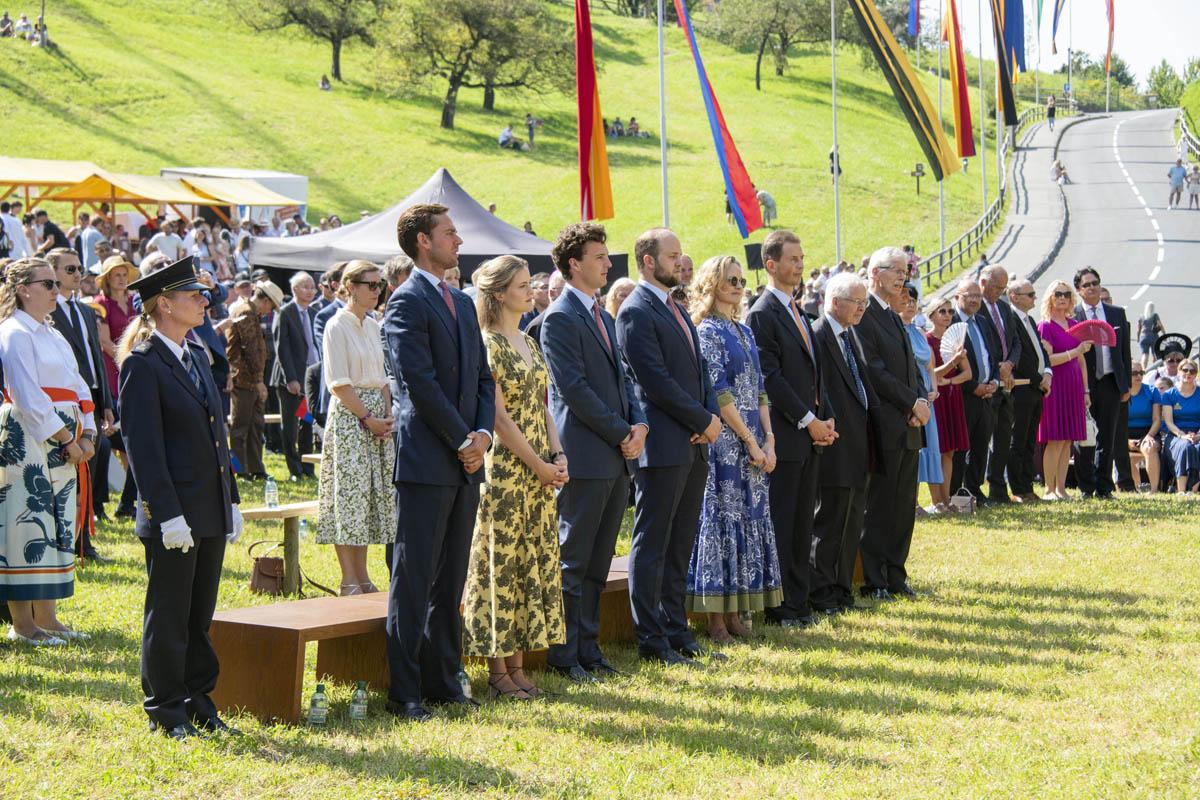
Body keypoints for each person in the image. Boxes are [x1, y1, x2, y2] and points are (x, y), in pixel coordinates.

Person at [117, 257, 242, 739]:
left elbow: (217, 438)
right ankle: (166, 707)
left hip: (208, 507)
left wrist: (229, 498)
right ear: (163, 305)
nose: (203, 300)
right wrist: (166, 515)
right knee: (169, 612)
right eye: (192, 294)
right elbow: (144, 451)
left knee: (199, 613)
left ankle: (197, 698)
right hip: (174, 513)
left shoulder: (196, 355)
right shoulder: (143, 364)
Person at [382, 204, 495, 721]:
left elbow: (482, 380)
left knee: (451, 578)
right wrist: (461, 438)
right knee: (415, 577)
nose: (459, 241)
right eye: (451, 233)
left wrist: (484, 436)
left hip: (467, 458)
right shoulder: (405, 301)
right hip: (430, 457)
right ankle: (404, 691)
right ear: (423, 241)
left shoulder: (462, 301)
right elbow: (418, 384)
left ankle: (444, 680)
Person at [540, 223, 645, 684]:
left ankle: (589, 647)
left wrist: (639, 424)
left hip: (617, 454)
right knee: (575, 558)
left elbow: (625, 379)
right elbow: (574, 390)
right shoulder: (560, 317)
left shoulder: (602, 315)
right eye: (599, 257)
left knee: (599, 562)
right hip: (586, 453)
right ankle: (565, 654)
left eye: (607, 256)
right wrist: (623, 431)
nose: (608, 263)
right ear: (573, 264)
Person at [614, 227, 722, 667]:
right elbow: (654, 381)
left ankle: (677, 630)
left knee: (681, 543)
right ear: (647, 261)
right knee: (654, 542)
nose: (680, 262)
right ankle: (652, 638)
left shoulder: (675, 306)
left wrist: (711, 418)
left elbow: (700, 373)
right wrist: (701, 420)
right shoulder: (636, 311)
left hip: (695, 443)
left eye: (681, 255)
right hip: (663, 446)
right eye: (672, 255)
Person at [461, 255, 567, 699]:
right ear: (500, 293)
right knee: (500, 563)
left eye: (531, 283)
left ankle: (519, 665)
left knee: (529, 561)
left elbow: (543, 404)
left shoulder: (528, 338)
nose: (532, 290)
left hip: (539, 465)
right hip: (506, 468)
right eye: (523, 285)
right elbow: (500, 418)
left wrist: (557, 453)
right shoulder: (489, 343)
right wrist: (538, 464)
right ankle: (497, 670)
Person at [0, 257, 97, 647]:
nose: (59, 290)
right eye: (49, 284)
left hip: (64, 438)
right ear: (24, 289)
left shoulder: (52, 333)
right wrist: (68, 439)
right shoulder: (13, 332)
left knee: (56, 522)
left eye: (58, 283)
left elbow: (78, 385)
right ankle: (22, 624)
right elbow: (26, 395)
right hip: (27, 435)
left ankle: (49, 617)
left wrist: (87, 433)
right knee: (27, 521)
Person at [688, 254, 781, 641]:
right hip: (726, 442)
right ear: (711, 283)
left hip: (754, 440)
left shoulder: (744, 330)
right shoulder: (707, 330)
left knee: (749, 519)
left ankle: (738, 610)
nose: (738, 286)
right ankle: (715, 618)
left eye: (742, 280)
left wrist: (769, 439)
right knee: (723, 518)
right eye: (730, 280)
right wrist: (747, 440)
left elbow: (760, 388)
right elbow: (719, 391)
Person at [745, 231, 834, 628]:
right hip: (785, 434)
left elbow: (814, 373)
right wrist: (807, 419)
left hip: (809, 435)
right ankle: (780, 607)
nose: (799, 265)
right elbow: (771, 377)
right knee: (783, 523)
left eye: (802, 258)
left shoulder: (799, 310)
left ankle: (798, 602)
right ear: (771, 265)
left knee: (802, 523)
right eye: (792, 259)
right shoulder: (763, 312)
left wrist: (824, 416)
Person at [315, 260, 395, 595]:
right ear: (350, 287)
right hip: (351, 418)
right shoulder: (337, 325)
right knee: (348, 497)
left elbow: (384, 376)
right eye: (371, 285)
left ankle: (362, 576)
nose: (377, 291)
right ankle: (349, 578)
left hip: (376, 415)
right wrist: (367, 418)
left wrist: (388, 415)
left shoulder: (375, 325)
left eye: (381, 286)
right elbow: (338, 383)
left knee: (366, 500)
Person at [855, 247, 928, 600]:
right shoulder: (864, 313)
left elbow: (910, 368)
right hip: (883, 424)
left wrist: (921, 401)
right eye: (896, 271)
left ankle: (896, 575)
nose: (903, 277)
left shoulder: (895, 316)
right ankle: (875, 580)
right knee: (881, 506)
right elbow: (873, 370)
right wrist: (910, 401)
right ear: (875, 273)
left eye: (906, 271)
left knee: (903, 505)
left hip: (909, 423)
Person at [810, 273, 879, 614]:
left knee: (852, 520)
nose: (862, 309)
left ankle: (841, 591)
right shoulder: (819, 334)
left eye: (865, 303)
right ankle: (821, 593)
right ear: (835, 302)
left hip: (857, 442)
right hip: (834, 442)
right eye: (857, 302)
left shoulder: (848, 336)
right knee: (830, 521)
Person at [46, 248, 114, 559]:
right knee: (69, 474)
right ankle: (68, 541)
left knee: (92, 466)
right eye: (70, 269)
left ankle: (83, 541)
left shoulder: (87, 311)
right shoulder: (47, 314)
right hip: (64, 403)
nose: (77, 274)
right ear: (54, 272)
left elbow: (97, 357)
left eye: (79, 268)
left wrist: (108, 402)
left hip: (94, 400)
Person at [1073, 267, 1131, 499]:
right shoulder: (1073, 316)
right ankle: (1086, 486)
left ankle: (1104, 486)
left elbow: (1125, 352)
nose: (1092, 287)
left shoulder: (1116, 313)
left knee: (1108, 436)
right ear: (1078, 290)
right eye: (1086, 284)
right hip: (1084, 384)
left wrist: (1124, 385)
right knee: (1084, 436)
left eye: (1095, 282)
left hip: (1110, 382)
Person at [1037, 280, 1090, 501]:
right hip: (1055, 384)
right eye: (1057, 294)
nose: (1062, 297)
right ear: (1050, 297)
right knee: (1055, 438)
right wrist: (1074, 351)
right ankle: (1049, 489)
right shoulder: (1045, 326)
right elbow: (1046, 359)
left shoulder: (1075, 323)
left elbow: (1082, 362)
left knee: (1068, 439)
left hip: (1074, 384)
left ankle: (1061, 488)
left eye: (1066, 294)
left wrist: (1086, 391)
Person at [950, 278, 1000, 503]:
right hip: (963, 396)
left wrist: (994, 382)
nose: (973, 299)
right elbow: (949, 365)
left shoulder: (982, 322)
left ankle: (975, 490)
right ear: (957, 297)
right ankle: (955, 493)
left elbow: (994, 355)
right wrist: (974, 387)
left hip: (987, 395)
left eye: (977, 296)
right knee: (961, 447)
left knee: (981, 446)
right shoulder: (950, 323)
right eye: (968, 295)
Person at [226, 281, 282, 480]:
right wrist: (259, 380)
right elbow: (249, 348)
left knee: (255, 424)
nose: (270, 310)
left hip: (252, 378)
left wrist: (259, 379)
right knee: (240, 426)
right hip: (243, 378)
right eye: (271, 306)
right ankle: (239, 470)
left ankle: (255, 468)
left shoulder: (250, 312)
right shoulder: (247, 313)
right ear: (265, 300)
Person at [976, 266, 1021, 504]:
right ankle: (976, 485)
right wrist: (998, 367)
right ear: (983, 282)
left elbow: (1015, 342)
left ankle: (998, 486)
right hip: (989, 382)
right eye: (995, 287)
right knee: (983, 439)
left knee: (1004, 437)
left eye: (1002, 288)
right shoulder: (977, 308)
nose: (998, 292)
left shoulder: (1004, 308)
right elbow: (979, 345)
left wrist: (1011, 363)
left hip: (1006, 382)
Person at [1005, 279, 1053, 503]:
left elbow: (1039, 351)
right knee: (1019, 438)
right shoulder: (1011, 319)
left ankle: (1027, 485)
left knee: (1030, 440)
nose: (1034, 298)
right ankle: (1018, 487)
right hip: (1024, 386)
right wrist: (1038, 379)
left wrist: (1048, 373)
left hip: (1036, 387)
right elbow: (1021, 355)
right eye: (1030, 294)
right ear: (1015, 297)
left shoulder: (1029, 320)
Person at [897, 285, 941, 511]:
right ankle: (910, 503)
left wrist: (933, 390)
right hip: (910, 395)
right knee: (913, 448)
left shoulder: (919, 333)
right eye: (906, 300)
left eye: (914, 300)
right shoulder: (897, 331)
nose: (910, 304)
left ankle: (927, 500)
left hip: (926, 396)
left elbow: (930, 367)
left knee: (926, 447)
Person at [924, 297, 971, 511]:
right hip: (937, 398)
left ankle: (947, 497)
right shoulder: (927, 340)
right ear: (932, 314)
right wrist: (953, 362)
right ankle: (937, 500)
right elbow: (931, 372)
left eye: (950, 312)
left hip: (953, 395)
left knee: (950, 450)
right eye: (942, 311)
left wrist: (951, 380)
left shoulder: (955, 341)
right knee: (938, 448)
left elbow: (967, 374)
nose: (947, 316)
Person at [272, 271, 319, 480]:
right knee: (290, 425)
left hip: (308, 379)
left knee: (307, 423)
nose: (311, 291)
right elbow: (282, 348)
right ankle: (294, 469)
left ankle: (307, 467)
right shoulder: (285, 312)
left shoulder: (312, 312)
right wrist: (290, 378)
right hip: (290, 380)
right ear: (295, 289)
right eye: (306, 287)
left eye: (312, 287)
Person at [1160, 359, 1200, 493]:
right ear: (1178, 372)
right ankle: (1182, 491)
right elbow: (1169, 422)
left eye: (1192, 371)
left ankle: (1193, 491)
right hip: (1176, 434)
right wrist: (1183, 436)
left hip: (1197, 432)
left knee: (1198, 447)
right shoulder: (1169, 395)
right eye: (1185, 370)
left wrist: (1198, 435)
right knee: (1185, 447)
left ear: (1196, 375)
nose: (1188, 373)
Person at [1125, 365, 1161, 492]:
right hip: (1125, 432)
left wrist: (1149, 436)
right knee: (1121, 451)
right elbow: (1116, 421)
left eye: (1141, 372)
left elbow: (1157, 419)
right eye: (1135, 373)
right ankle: (1135, 487)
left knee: (1149, 447)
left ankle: (1154, 489)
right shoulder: (1121, 392)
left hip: (1148, 431)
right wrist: (1126, 440)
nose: (1139, 376)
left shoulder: (1152, 391)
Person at [1137, 302, 1164, 368]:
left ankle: (1144, 369)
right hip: (1153, 337)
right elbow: (1160, 325)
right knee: (1155, 354)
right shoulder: (1155, 315)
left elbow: (1138, 329)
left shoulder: (1141, 316)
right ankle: (1156, 368)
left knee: (1145, 355)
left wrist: (1138, 338)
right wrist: (1164, 334)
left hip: (1143, 337)